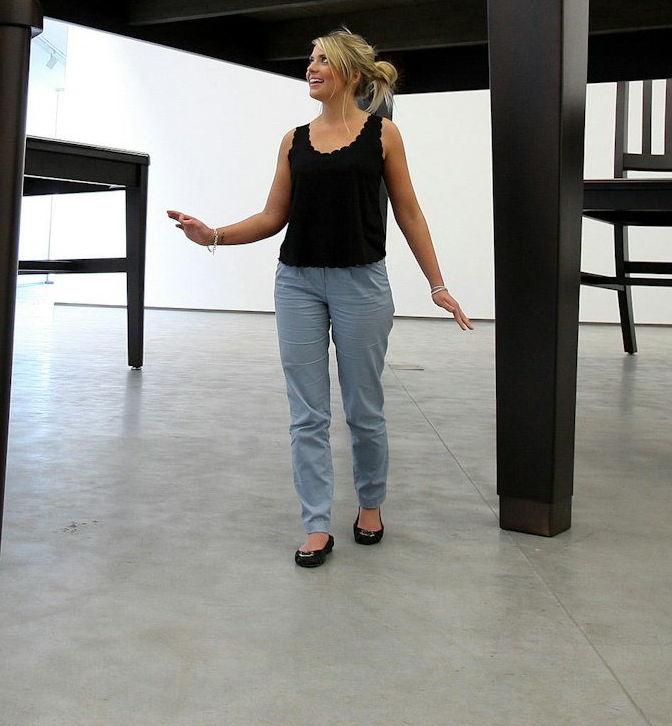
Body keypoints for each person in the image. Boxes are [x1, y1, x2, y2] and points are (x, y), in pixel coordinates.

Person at [167, 28, 471, 567]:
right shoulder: (293, 140)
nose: (311, 67)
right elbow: (270, 218)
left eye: (323, 60)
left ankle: (370, 504)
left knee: (363, 408)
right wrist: (211, 234)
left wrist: (438, 284)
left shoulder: (384, 135)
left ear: (350, 74)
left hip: (362, 285)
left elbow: (409, 214)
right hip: (298, 284)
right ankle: (315, 523)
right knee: (306, 414)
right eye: (310, 60)